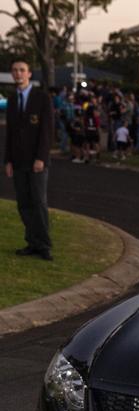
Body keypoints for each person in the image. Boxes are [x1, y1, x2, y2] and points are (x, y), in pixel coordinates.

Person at [3, 58, 54, 261]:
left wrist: (41, 157)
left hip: (37, 161)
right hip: (18, 161)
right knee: (24, 204)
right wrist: (8, 161)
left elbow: (47, 132)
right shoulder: (12, 99)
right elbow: (11, 133)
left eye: (22, 70)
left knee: (39, 202)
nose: (18, 74)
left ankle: (44, 245)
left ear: (29, 74)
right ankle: (32, 242)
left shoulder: (42, 98)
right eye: (15, 70)